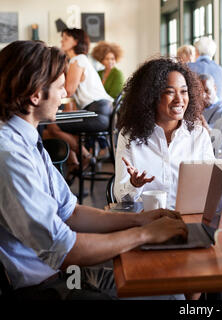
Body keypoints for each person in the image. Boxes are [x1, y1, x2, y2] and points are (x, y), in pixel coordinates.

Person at [0, 40, 187, 300]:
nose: (66, 91)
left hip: (61, 276)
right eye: (58, 86)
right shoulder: (10, 155)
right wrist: (145, 234)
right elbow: (64, 250)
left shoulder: (26, 141)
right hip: (43, 289)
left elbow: (71, 212)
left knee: (163, 286)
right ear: (34, 95)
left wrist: (140, 219)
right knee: (164, 296)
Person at [114, 57, 215, 208]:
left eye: (183, 92)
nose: (179, 99)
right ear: (151, 97)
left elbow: (213, 188)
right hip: (148, 222)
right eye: (170, 92)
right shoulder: (129, 136)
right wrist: (134, 184)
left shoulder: (199, 135)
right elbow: (122, 199)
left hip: (190, 220)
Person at [44, 28, 114, 172]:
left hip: (97, 113)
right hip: (101, 112)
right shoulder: (80, 60)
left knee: (52, 126)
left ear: (76, 41)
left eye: (66, 38)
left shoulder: (78, 60)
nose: (62, 41)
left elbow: (68, 91)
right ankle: (74, 162)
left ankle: (85, 156)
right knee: (49, 131)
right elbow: (73, 96)